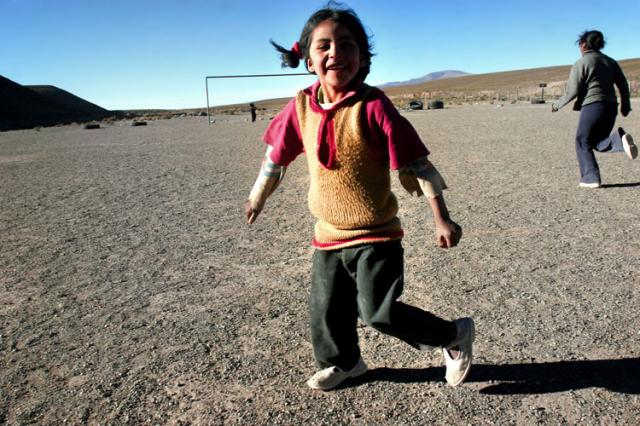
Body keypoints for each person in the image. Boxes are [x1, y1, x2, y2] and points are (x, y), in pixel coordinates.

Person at [244, 3, 474, 391]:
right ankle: (345, 363)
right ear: (308, 58)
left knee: (377, 313)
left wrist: (442, 218)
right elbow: (275, 158)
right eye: (324, 46)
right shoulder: (301, 105)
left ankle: (451, 335)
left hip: (376, 233)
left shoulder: (373, 105)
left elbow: (418, 165)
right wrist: (257, 196)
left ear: (363, 56)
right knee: (326, 309)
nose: (336, 53)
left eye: (347, 45)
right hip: (328, 233)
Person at [552, 30, 637, 188]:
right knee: (596, 140)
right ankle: (618, 139)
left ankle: (590, 177)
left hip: (593, 106)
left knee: (582, 140)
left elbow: (572, 90)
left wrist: (556, 105)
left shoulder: (582, 63)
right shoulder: (610, 62)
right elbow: (623, 84)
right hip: (611, 106)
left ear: (583, 45)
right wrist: (626, 105)